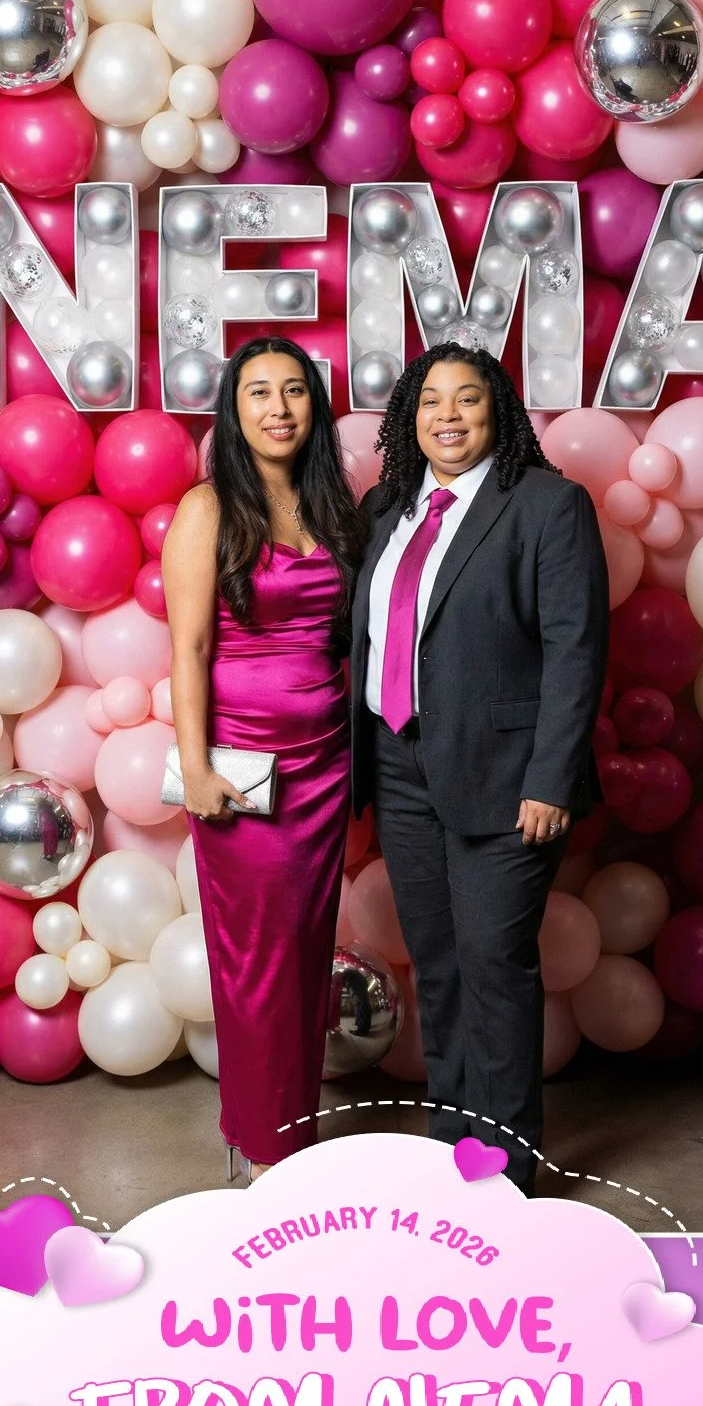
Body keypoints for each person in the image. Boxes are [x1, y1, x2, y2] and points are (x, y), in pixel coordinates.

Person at [350, 342, 609, 1193]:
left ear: (496, 410)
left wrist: (551, 777)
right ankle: (452, 1146)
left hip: (506, 775)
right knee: (440, 962)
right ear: (409, 419)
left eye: (467, 400)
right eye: (431, 402)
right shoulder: (388, 509)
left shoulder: (545, 505)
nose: (448, 417)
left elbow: (577, 650)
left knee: (497, 964)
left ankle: (507, 1171)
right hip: (399, 763)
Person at [163, 337, 366, 1180]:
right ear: (233, 410)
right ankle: (258, 1151)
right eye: (258, 393)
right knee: (256, 968)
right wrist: (198, 768)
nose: (278, 407)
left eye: (293, 391)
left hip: (326, 766)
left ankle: (294, 1144)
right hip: (243, 772)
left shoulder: (333, 507)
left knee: (306, 961)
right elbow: (190, 648)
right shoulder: (207, 508)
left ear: (313, 408)